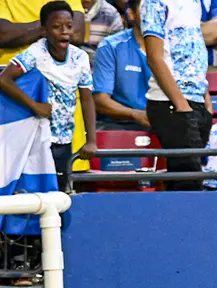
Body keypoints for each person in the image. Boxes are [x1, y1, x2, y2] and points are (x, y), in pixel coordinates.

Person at [0, 0, 97, 190]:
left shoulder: (80, 58)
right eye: (56, 27)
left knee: (62, 192)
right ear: (44, 30)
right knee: (36, 193)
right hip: (37, 139)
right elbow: (4, 79)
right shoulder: (36, 53)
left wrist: (91, 140)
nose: (65, 32)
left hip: (65, 140)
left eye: (69, 26)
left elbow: (87, 99)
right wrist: (35, 106)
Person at [141, 0, 211, 191]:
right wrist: (182, 106)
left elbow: (195, 53)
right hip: (170, 103)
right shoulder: (155, 2)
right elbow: (154, 58)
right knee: (189, 182)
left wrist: (206, 103)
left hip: (197, 101)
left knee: (183, 180)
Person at [92, 0, 150, 129]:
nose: (153, 15)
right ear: (131, 14)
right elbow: (100, 100)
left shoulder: (174, 46)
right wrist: (135, 114)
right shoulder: (111, 46)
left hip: (164, 122)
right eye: (147, 9)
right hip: (120, 123)